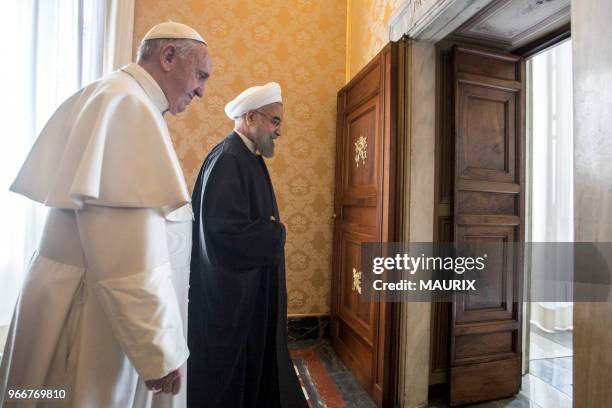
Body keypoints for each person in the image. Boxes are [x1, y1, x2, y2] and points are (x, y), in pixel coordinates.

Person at [0, 21, 211, 407]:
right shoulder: (128, 106)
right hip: (92, 316)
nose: (201, 90)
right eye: (200, 75)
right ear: (167, 57)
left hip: (75, 297)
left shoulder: (112, 93)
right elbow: (128, 261)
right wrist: (159, 350)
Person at [188, 82, 308, 407]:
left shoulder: (245, 155)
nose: (278, 131)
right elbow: (223, 232)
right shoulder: (230, 158)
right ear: (252, 117)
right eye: (275, 121)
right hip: (231, 299)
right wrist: (275, 234)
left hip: (248, 290)